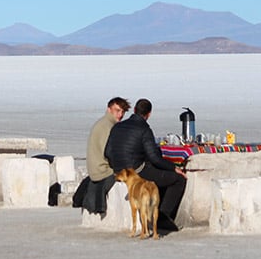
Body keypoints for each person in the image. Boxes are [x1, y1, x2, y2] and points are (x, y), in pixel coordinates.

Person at [105, 98, 187, 231]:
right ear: (149, 114)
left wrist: (119, 166)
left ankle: (157, 212)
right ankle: (162, 217)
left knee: (157, 176)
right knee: (177, 180)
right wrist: (174, 168)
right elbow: (154, 158)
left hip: (119, 171)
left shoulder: (118, 126)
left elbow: (107, 152)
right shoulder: (144, 129)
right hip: (136, 171)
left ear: (135, 110)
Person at [73, 97, 130, 214]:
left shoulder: (103, 123)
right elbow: (109, 153)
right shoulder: (108, 126)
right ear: (109, 109)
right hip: (103, 171)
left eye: (122, 112)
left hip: (95, 169)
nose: (120, 115)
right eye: (117, 110)